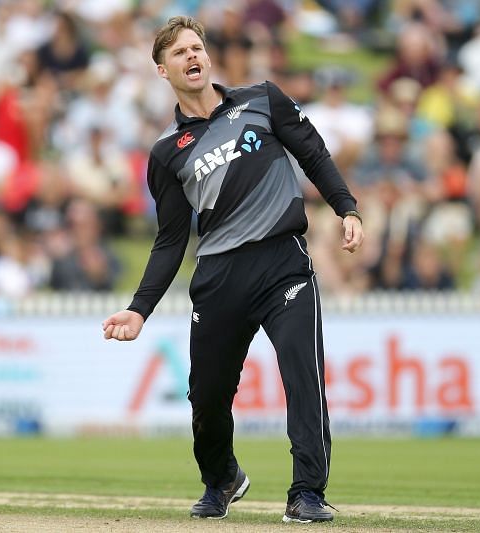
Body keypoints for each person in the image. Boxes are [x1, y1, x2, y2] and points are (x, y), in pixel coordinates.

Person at [101, 16, 364, 523]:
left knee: (304, 378)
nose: (192, 57)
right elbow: (171, 240)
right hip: (219, 277)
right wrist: (139, 310)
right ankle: (221, 479)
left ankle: (307, 492)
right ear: (162, 70)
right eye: (179, 53)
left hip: (283, 263)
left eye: (196, 48)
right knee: (207, 397)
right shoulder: (165, 153)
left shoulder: (262, 100)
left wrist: (346, 208)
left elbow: (313, 153)